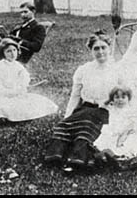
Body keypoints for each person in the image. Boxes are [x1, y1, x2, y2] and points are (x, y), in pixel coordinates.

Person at [43, 30, 122, 173]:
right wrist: (68, 116)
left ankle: (78, 161)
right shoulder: (84, 70)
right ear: (91, 50)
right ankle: (55, 158)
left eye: (103, 47)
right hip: (85, 108)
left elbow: (126, 96)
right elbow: (75, 96)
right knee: (64, 126)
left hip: (107, 111)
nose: (100, 52)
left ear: (109, 48)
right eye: (96, 48)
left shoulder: (118, 69)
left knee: (86, 129)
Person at [0, 1, 46, 77]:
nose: (23, 15)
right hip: (9, 49)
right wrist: (4, 34)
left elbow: (36, 47)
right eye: (21, 13)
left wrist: (19, 41)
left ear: (33, 12)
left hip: (21, 53)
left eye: (25, 12)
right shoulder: (19, 26)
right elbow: (10, 37)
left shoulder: (38, 27)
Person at [93, 85, 137, 170]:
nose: (120, 100)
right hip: (114, 131)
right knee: (106, 140)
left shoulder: (131, 110)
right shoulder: (112, 108)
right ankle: (111, 156)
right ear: (113, 99)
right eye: (117, 97)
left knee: (129, 143)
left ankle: (126, 158)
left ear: (128, 99)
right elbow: (102, 106)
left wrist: (123, 136)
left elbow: (134, 125)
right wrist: (109, 101)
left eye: (123, 97)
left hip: (128, 132)